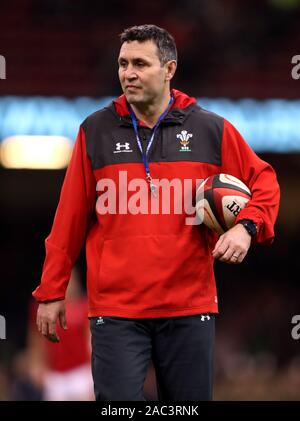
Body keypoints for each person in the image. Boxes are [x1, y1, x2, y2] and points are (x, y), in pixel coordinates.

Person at [32, 24, 280, 401]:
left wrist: (246, 226)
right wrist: (51, 291)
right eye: (123, 63)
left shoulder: (210, 129)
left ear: (169, 69)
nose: (128, 73)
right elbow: (67, 221)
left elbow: (264, 181)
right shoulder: (95, 131)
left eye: (140, 64)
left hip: (188, 307)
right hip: (116, 312)